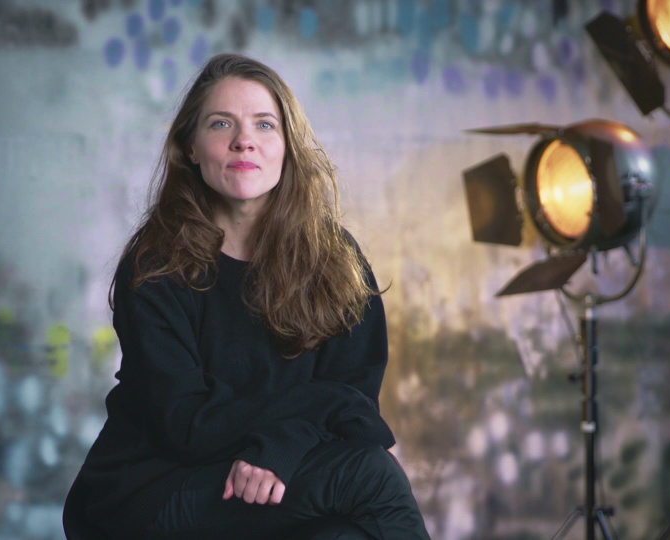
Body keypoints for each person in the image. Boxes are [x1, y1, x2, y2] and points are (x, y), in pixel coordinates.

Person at [63, 53, 430, 540]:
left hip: (271, 478)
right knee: (369, 474)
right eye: (221, 123)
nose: (244, 140)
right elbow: (187, 423)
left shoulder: (334, 259)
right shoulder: (157, 265)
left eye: (264, 124)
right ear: (191, 148)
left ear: (287, 146)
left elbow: (354, 398)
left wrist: (277, 449)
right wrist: (301, 425)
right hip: (152, 487)